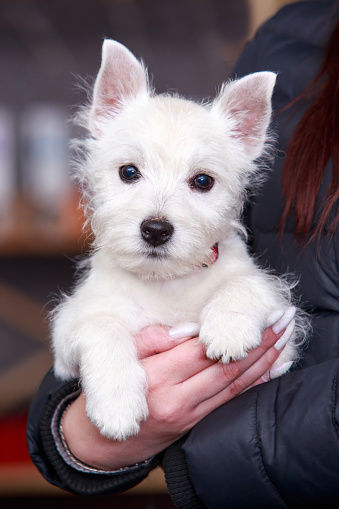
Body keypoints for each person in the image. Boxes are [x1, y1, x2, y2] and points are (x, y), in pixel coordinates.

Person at [27, 0, 339, 507]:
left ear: (247, 149)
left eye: (200, 181)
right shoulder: (290, 36)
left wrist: (236, 305)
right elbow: (72, 340)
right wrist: (82, 430)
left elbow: (260, 297)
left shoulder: (233, 272)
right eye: (130, 173)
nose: (158, 216)